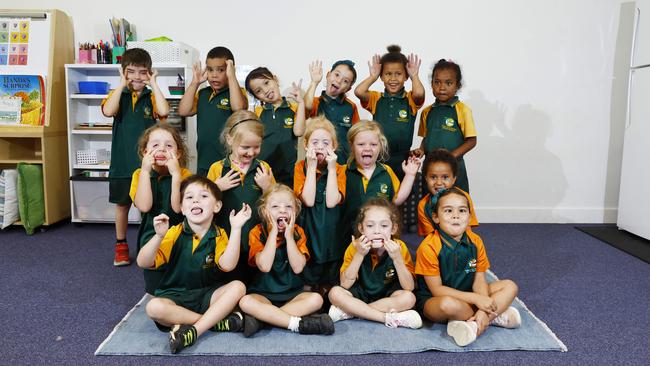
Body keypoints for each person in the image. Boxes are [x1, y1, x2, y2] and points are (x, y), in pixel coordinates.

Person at [136, 175, 252, 354]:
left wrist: (236, 229)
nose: (196, 200)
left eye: (204, 196)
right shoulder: (173, 232)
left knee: (238, 287)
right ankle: (214, 322)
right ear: (182, 208)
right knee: (154, 307)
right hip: (175, 296)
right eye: (189, 197)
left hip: (207, 295)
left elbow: (228, 265)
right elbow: (142, 261)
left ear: (217, 206)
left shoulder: (219, 234)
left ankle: (194, 330)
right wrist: (158, 236)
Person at [414, 188, 520, 347]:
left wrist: (483, 308)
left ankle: (476, 321)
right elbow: (437, 290)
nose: (455, 215)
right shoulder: (428, 247)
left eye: (462, 210)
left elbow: (479, 281)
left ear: (470, 217)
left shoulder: (476, 241)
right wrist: (477, 300)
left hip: (468, 294)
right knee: (447, 304)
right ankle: (492, 317)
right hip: (435, 300)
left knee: (510, 286)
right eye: (448, 210)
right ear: (436, 217)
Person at [238, 184, 334, 337]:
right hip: (263, 295)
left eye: (288, 206)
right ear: (264, 212)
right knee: (245, 302)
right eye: (275, 206)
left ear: (295, 211)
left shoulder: (298, 233)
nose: (282, 210)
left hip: (292, 296)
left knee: (316, 300)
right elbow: (264, 266)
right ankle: (297, 323)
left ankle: (263, 320)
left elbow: (298, 268)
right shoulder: (256, 232)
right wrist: (273, 232)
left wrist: (289, 237)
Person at [102, 48, 169, 266]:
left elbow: (164, 111)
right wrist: (121, 84)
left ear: (149, 73)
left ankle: (150, 244)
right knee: (122, 205)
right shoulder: (117, 95)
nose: (137, 77)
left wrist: (155, 84)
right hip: (122, 164)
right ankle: (121, 245)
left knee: (148, 206)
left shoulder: (152, 96)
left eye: (143, 72)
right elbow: (108, 111)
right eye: (131, 72)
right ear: (123, 72)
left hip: (147, 165)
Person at [328, 198, 422, 329]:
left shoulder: (399, 247)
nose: (377, 231)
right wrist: (359, 254)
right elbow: (345, 284)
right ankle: (386, 317)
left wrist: (397, 259)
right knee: (335, 293)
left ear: (393, 228)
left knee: (409, 298)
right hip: (361, 295)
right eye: (370, 225)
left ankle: (352, 312)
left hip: (387, 296)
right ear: (361, 228)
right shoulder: (355, 247)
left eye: (384, 226)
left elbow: (409, 287)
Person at [207, 110, 274, 283]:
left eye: (256, 147)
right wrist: (217, 187)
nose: (251, 153)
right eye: (245, 147)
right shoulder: (217, 168)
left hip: (257, 238)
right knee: (229, 278)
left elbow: (276, 202)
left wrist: (267, 186)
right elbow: (204, 203)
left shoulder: (264, 167)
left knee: (255, 280)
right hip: (226, 238)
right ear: (230, 139)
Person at [130, 124, 193, 294]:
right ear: (145, 152)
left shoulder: (185, 175)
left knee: (180, 280)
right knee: (155, 287)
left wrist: (176, 175)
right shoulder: (139, 174)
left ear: (178, 153)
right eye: (155, 145)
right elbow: (144, 205)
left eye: (169, 145)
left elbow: (177, 208)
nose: (162, 149)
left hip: (179, 234)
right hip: (151, 233)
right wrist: (145, 171)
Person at [340, 120, 421, 250]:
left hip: (379, 239)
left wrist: (410, 175)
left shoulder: (386, 172)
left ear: (380, 146)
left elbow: (397, 199)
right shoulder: (342, 171)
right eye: (361, 144)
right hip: (348, 238)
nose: (367, 148)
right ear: (351, 146)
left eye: (373, 144)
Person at [354, 45, 425, 180]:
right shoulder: (376, 98)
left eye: (398, 74)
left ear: (406, 76)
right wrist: (373, 76)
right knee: (381, 192)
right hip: (379, 157)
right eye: (388, 74)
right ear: (382, 76)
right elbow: (359, 91)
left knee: (401, 194)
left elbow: (420, 93)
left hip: (402, 158)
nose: (393, 78)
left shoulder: (409, 99)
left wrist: (414, 76)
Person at [293, 116, 346, 293]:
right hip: (309, 231)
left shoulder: (339, 169)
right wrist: (311, 167)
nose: (320, 146)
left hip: (331, 233)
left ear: (334, 146)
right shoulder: (300, 167)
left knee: (330, 281)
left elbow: (331, 202)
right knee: (308, 281)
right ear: (306, 145)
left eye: (326, 142)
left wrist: (331, 169)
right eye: (315, 142)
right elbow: (307, 200)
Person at [178, 46, 248, 177]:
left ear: (230, 70)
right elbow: (183, 110)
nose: (214, 75)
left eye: (221, 70)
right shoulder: (203, 93)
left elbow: (238, 108)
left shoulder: (236, 92)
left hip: (228, 164)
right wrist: (195, 83)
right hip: (204, 163)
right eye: (210, 69)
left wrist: (231, 76)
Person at [416, 59, 477, 193]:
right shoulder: (427, 112)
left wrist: (451, 156)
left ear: (457, 86)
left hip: (454, 167)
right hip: (431, 168)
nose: (442, 87)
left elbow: (472, 141)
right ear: (431, 84)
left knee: (456, 202)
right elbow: (427, 138)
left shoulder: (462, 110)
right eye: (437, 82)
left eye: (448, 83)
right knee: (431, 204)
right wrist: (420, 150)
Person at [245, 67, 306, 187]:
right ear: (257, 97)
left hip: (288, 174)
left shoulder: (293, 108)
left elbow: (299, 132)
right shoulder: (257, 112)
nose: (266, 90)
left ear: (275, 80)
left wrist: (301, 103)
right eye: (259, 91)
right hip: (262, 173)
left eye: (266, 83)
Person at [304, 60, 360, 164]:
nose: (339, 81)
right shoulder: (316, 102)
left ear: (348, 89)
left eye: (345, 81)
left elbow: (357, 135)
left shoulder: (351, 107)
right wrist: (314, 82)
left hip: (343, 163)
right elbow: (307, 105)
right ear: (328, 75)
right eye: (337, 75)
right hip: (318, 163)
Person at [418, 148, 478, 237]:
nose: (438, 183)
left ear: (454, 179)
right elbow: (428, 237)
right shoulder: (423, 206)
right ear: (426, 178)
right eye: (433, 177)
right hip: (437, 245)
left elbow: (468, 230)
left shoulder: (464, 198)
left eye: (445, 177)